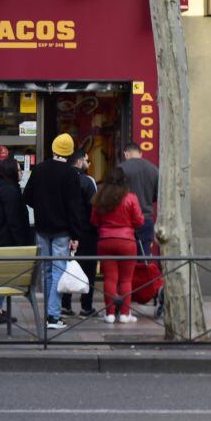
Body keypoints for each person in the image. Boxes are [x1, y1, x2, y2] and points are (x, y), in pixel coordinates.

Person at [23, 134, 84, 330]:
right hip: (62, 231)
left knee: (48, 271)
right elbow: (75, 208)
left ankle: (50, 312)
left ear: (53, 148)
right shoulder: (71, 174)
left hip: (42, 228)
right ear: (71, 152)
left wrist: (41, 208)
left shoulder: (39, 169)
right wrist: (76, 235)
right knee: (58, 270)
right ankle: (53, 315)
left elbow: (27, 196)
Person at [0, 157, 32, 324]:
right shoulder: (10, 191)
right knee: (6, 276)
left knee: (2, 276)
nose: (21, 172)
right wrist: (23, 244)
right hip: (5, 242)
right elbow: (14, 220)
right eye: (18, 169)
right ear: (11, 171)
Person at [91, 168, 145, 324]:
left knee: (110, 278)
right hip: (127, 241)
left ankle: (109, 314)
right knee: (126, 280)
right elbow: (139, 220)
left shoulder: (100, 197)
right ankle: (125, 314)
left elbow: (94, 221)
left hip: (106, 240)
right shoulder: (131, 198)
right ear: (124, 181)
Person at [61, 149, 99, 318]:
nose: (87, 163)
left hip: (66, 231)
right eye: (86, 159)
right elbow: (94, 208)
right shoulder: (87, 182)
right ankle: (86, 306)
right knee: (88, 269)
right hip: (86, 232)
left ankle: (65, 305)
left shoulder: (61, 181)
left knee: (66, 268)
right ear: (78, 162)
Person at [118, 143, 159, 251]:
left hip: (125, 220)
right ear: (140, 153)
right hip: (146, 218)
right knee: (144, 256)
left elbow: (114, 194)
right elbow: (157, 195)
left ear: (126, 154)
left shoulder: (121, 169)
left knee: (126, 257)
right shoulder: (154, 169)